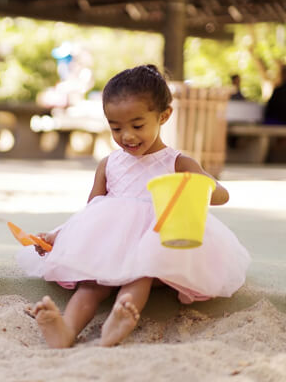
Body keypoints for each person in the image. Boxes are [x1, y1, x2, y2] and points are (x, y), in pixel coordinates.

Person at [17, 65, 251, 348]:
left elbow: (221, 195)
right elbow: (90, 212)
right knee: (91, 283)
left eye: (137, 126)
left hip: (156, 241)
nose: (126, 136)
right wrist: (58, 236)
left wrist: (195, 184)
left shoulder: (177, 163)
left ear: (164, 116)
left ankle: (120, 321)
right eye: (116, 128)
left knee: (140, 275)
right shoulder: (109, 164)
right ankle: (66, 329)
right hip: (109, 245)